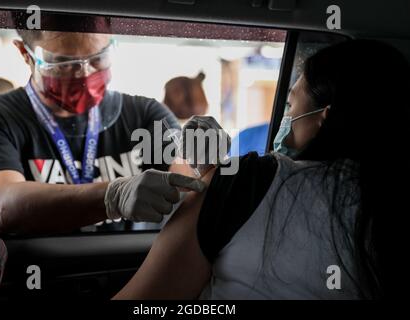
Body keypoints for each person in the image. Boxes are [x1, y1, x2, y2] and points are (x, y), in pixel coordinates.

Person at [113, 39, 409, 299]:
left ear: (324, 118)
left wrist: (213, 179)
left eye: (291, 107)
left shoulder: (250, 180)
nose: (285, 120)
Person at [0, 16, 215, 235]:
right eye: (64, 64)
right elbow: (3, 205)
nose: (84, 75)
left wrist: (200, 160)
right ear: (25, 54)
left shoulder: (145, 114)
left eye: (98, 59)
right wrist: (112, 197)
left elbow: (184, 183)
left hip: (131, 266)